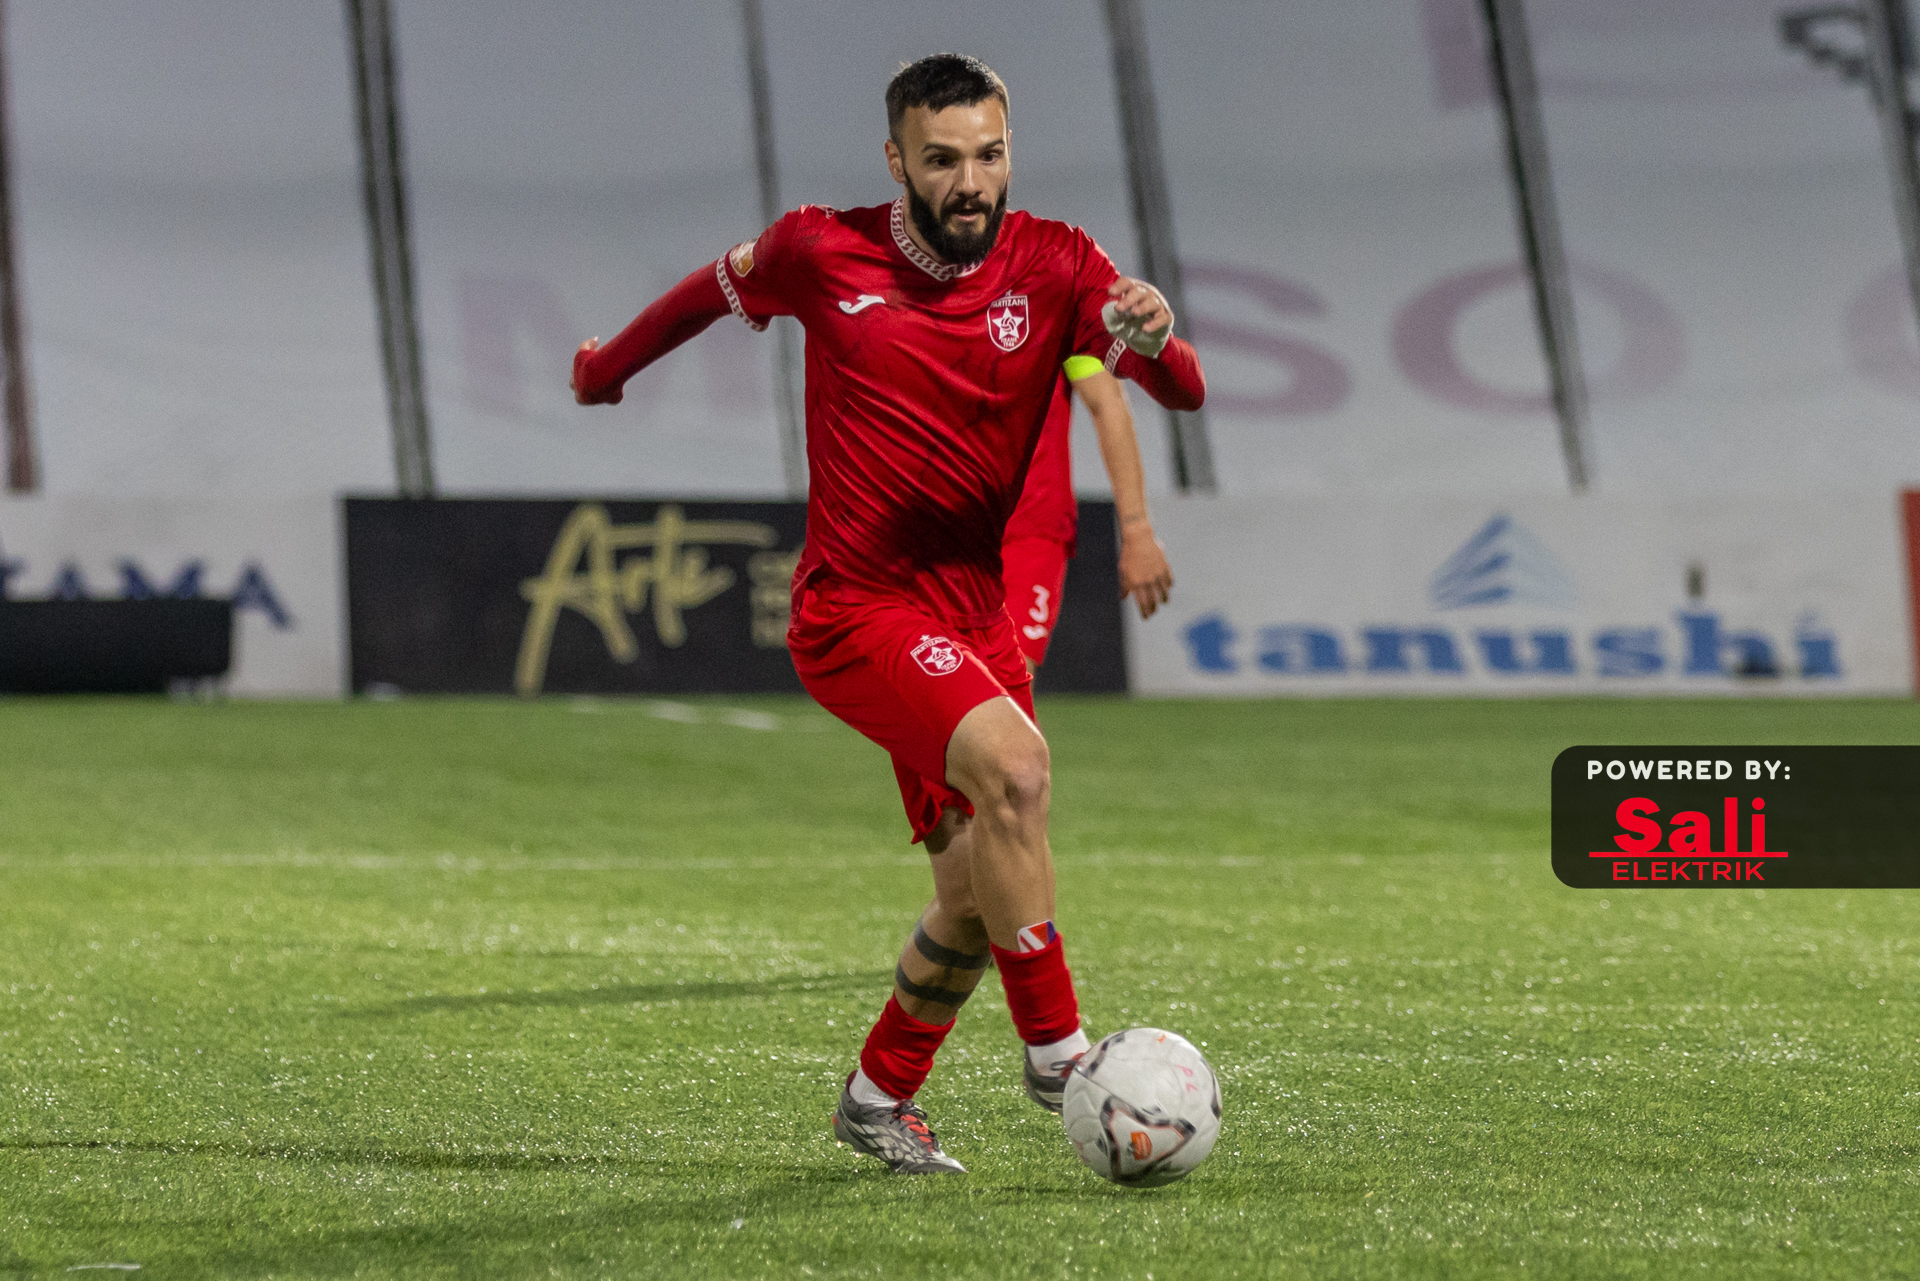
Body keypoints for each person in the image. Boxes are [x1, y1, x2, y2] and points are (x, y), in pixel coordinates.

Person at [570, 53, 1205, 1175]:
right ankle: (1062, 1058)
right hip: (856, 607)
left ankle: (877, 1098)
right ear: (897, 160)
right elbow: (702, 295)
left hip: (977, 611)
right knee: (1018, 774)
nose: (971, 183)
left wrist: (1156, 337)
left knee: (974, 888)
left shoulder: (1058, 261)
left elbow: (1182, 388)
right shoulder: (822, 250)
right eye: (943, 160)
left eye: (990, 156)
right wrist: (603, 370)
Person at [1002, 347, 1200, 674]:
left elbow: (1107, 403)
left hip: (1029, 526)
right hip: (936, 529)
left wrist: (1137, 530)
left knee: (1004, 681)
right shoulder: (916, 315)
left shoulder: (1057, 314)